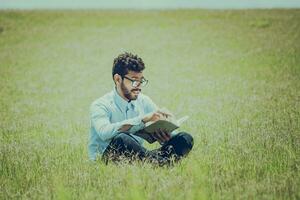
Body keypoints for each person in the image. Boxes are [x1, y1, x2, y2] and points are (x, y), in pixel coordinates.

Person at [88, 52, 193, 166]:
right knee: (122, 139)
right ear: (118, 79)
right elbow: (104, 132)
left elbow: (167, 132)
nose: (139, 85)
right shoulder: (100, 105)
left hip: (138, 156)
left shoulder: (144, 101)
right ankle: (159, 164)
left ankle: (155, 163)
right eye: (134, 80)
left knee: (185, 138)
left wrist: (167, 134)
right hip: (108, 159)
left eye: (141, 80)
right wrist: (142, 120)